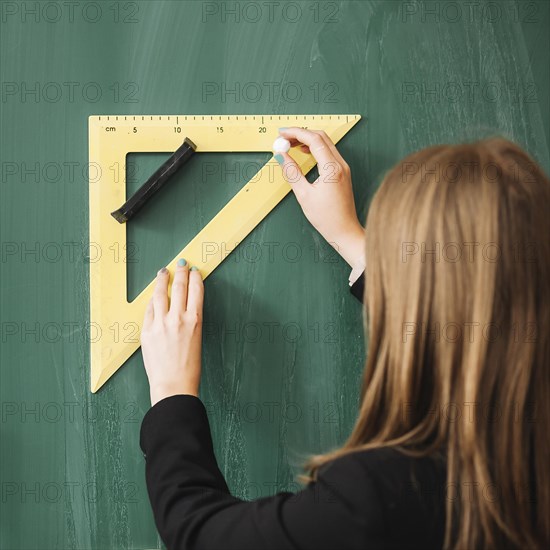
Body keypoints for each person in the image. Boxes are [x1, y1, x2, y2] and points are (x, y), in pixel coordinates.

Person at [139, 128, 550, 550]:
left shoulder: (386, 493)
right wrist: (352, 239)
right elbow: (474, 322)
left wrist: (172, 395)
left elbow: (201, 537)